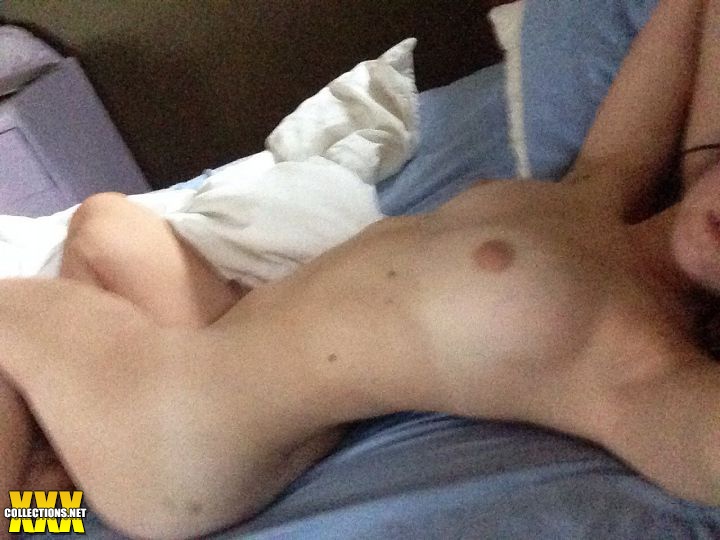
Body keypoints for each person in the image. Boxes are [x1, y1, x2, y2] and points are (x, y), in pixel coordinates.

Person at [1, 0, 720, 537]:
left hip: (180, 437)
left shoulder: (639, 358)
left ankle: (33, 511)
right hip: (228, 366)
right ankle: (50, 481)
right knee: (104, 220)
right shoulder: (606, 184)